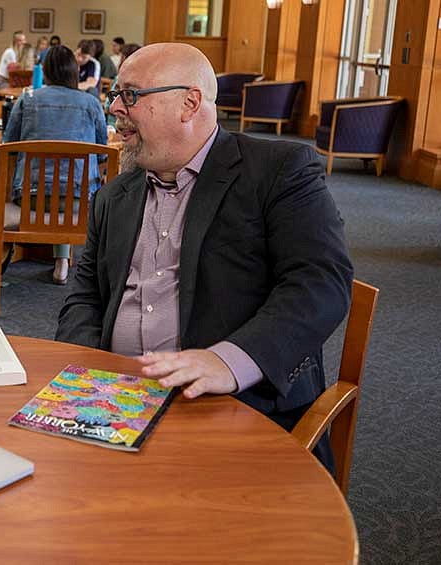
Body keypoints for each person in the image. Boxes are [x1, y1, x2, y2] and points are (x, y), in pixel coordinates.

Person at [56, 43, 353, 471]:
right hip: (114, 402)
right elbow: (84, 295)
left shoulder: (278, 171)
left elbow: (320, 283)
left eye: (131, 95)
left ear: (189, 103)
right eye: (116, 95)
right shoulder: (114, 196)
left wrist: (229, 360)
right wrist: (89, 371)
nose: (116, 108)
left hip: (232, 409)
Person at [1, 45, 107, 285]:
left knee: (52, 186)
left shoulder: (27, 99)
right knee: (68, 185)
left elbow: (9, 144)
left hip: (29, 198)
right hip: (80, 205)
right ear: (74, 70)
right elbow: (102, 153)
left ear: (45, 70)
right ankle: (62, 263)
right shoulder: (91, 102)